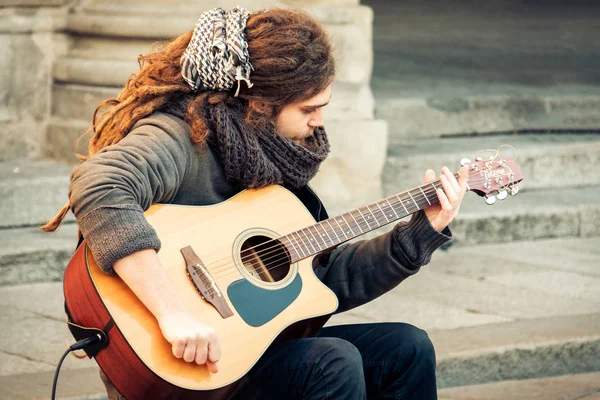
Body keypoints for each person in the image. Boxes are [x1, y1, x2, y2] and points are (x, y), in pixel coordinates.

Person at [43, 7, 468, 400]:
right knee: (333, 363)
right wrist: (174, 315)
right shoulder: (179, 136)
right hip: (185, 364)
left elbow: (319, 286)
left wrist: (417, 236)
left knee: (407, 348)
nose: (319, 121)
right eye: (309, 108)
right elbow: (100, 183)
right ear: (262, 104)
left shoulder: (270, 153)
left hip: (253, 347)